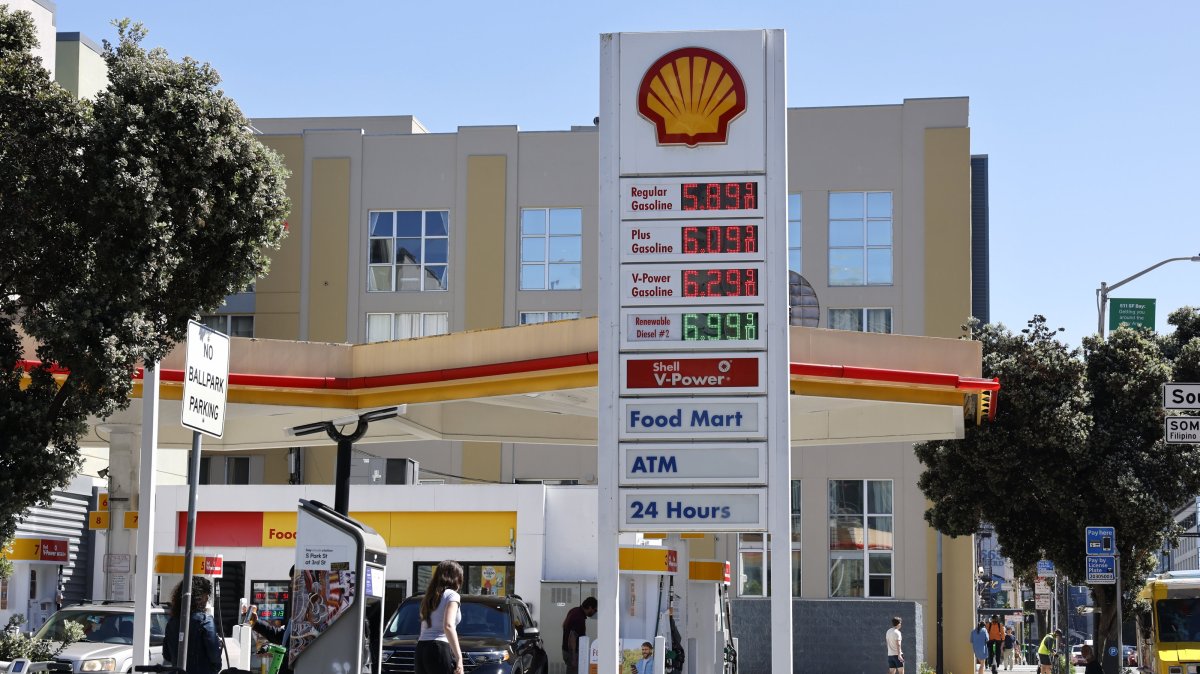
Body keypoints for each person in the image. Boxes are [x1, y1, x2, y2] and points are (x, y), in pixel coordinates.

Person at [163, 576, 223, 674]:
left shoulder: (172, 622)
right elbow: (214, 655)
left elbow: (167, 655)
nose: (207, 599)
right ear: (199, 597)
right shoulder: (205, 621)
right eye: (206, 595)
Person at [416, 560, 464, 674]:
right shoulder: (452, 595)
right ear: (456, 578)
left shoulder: (429, 596)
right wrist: (459, 658)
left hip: (421, 648)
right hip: (439, 648)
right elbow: (448, 625)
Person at [247, 566, 294, 674]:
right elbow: (281, 636)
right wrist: (255, 623)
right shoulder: (296, 616)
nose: (291, 586)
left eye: (294, 581)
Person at [562, 596, 599, 674]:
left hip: (566, 650)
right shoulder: (579, 618)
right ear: (589, 607)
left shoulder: (574, 610)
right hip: (572, 653)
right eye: (595, 610)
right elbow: (572, 638)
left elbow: (564, 625)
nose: (594, 613)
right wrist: (573, 658)